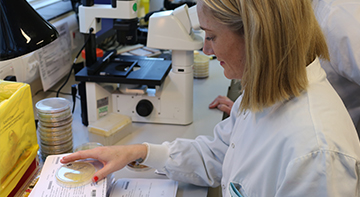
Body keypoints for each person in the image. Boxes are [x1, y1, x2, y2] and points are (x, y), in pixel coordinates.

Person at [61, 0, 360, 196]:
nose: (205, 49)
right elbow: (217, 154)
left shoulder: (316, 155)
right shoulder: (265, 91)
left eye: (212, 36)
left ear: (256, 35)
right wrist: (137, 152)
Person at [209, 0, 360, 137]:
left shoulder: (341, 19)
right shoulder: (291, 8)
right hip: (290, 124)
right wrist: (251, 113)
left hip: (317, 136)